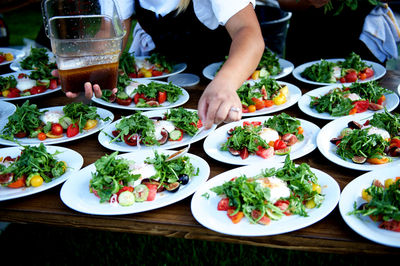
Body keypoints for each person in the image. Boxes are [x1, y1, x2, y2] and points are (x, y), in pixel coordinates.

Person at [68, 0, 265, 129]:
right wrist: (92, 64)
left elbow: (249, 34)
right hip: (163, 82)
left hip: (228, 78)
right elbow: (110, 31)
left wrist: (225, 83)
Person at [278, 0, 381, 66]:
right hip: (310, 40)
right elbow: (283, 2)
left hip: (364, 40)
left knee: (368, 92)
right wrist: (307, 1)